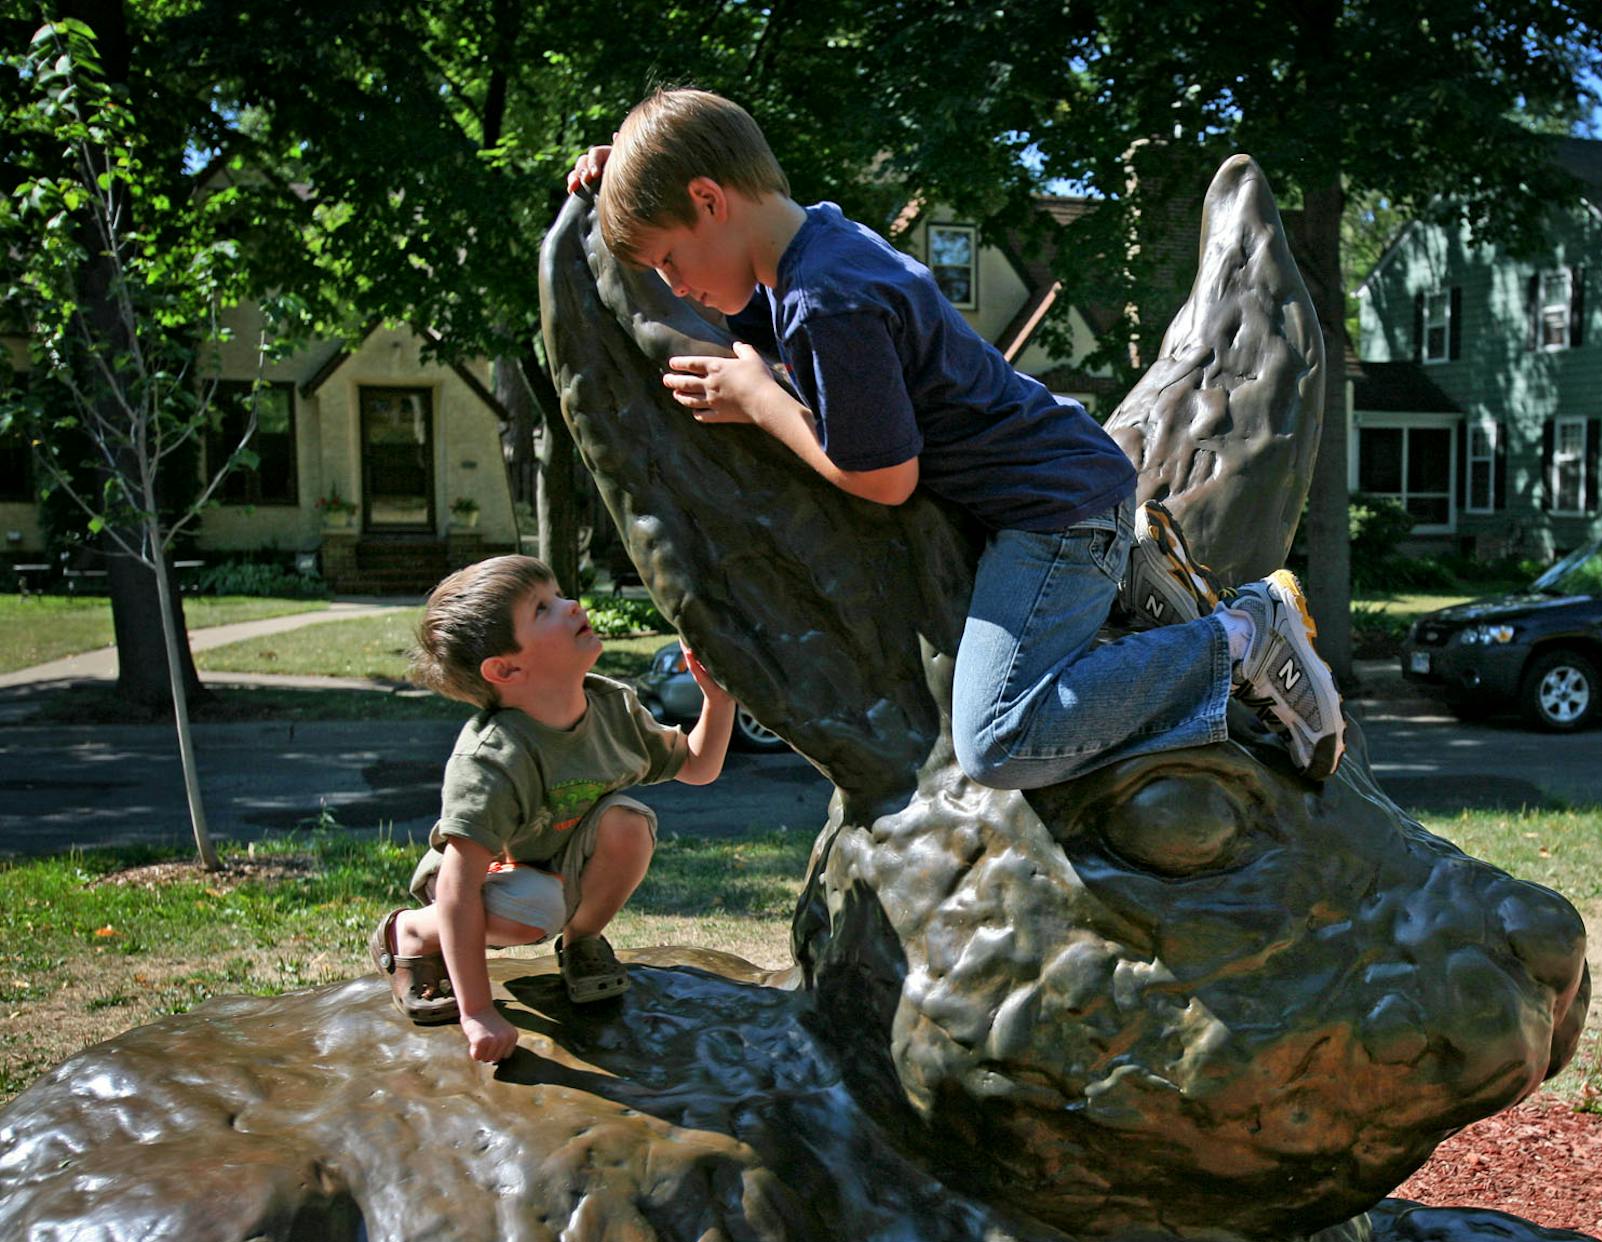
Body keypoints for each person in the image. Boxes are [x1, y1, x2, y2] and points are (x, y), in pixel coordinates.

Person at [564, 87, 1346, 790]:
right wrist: (626, 179)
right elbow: (721, 286)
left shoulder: (823, 300)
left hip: (1054, 515)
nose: (673, 286)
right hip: (1052, 486)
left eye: (669, 258)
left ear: (708, 199)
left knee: (998, 739)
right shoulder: (818, 246)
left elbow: (884, 478)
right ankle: (1136, 583)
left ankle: (1242, 636)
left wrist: (763, 400)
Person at [374, 555, 734, 1063]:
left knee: (629, 824)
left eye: (560, 593)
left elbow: (696, 766)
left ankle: (582, 941)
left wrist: (717, 702)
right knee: (536, 909)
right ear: (506, 668)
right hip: (489, 879)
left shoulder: (610, 708)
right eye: (543, 607)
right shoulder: (492, 760)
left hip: (557, 867)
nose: (571, 605)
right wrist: (478, 1012)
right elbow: (459, 887)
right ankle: (411, 930)